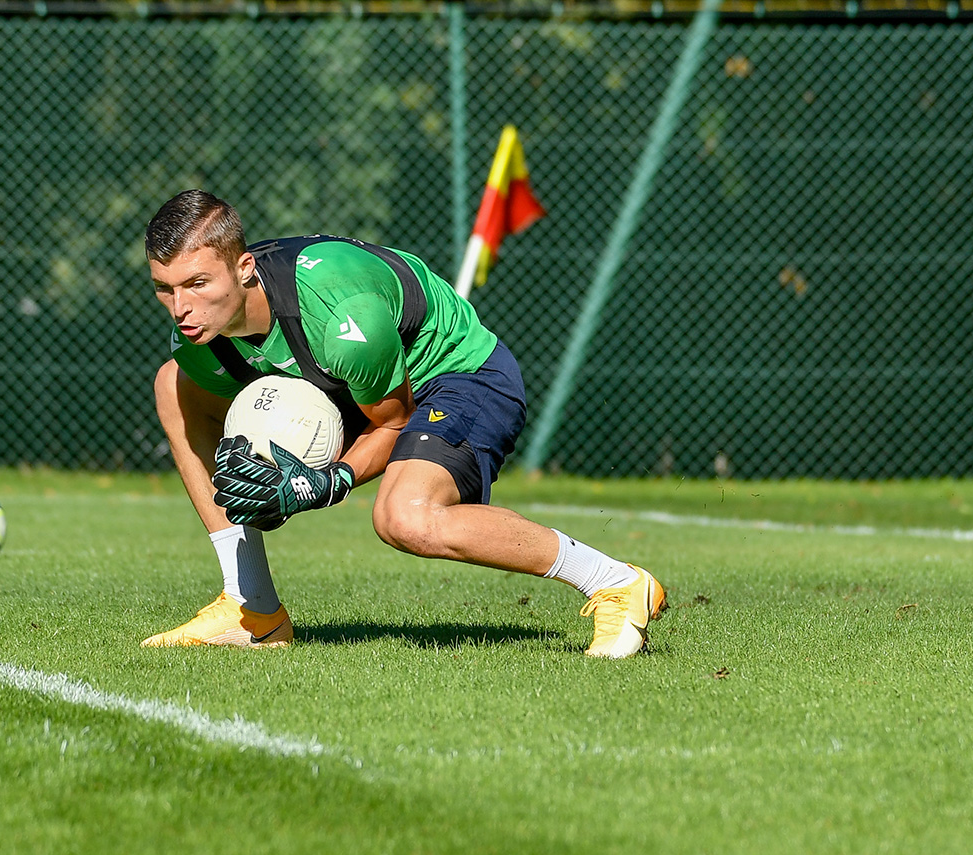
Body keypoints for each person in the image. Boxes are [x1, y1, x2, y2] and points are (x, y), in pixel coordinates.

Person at [142, 189, 665, 658]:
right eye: (165, 289)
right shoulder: (197, 342)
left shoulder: (341, 317)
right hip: (350, 382)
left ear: (245, 268)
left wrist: (323, 482)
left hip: (457, 374)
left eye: (197, 283)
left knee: (405, 517)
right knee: (173, 386)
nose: (180, 308)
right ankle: (251, 607)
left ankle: (614, 582)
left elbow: (391, 423)